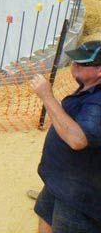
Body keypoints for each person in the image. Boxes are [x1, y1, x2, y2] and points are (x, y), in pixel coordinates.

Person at [30, 40, 101, 232]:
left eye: (81, 63)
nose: (74, 66)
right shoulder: (88, 88)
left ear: (99, 71)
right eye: (74, 61)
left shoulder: (98, 103)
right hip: (59, 182)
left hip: (78, 197)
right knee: (45, 217)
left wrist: (46, 96)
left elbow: (78, 140)